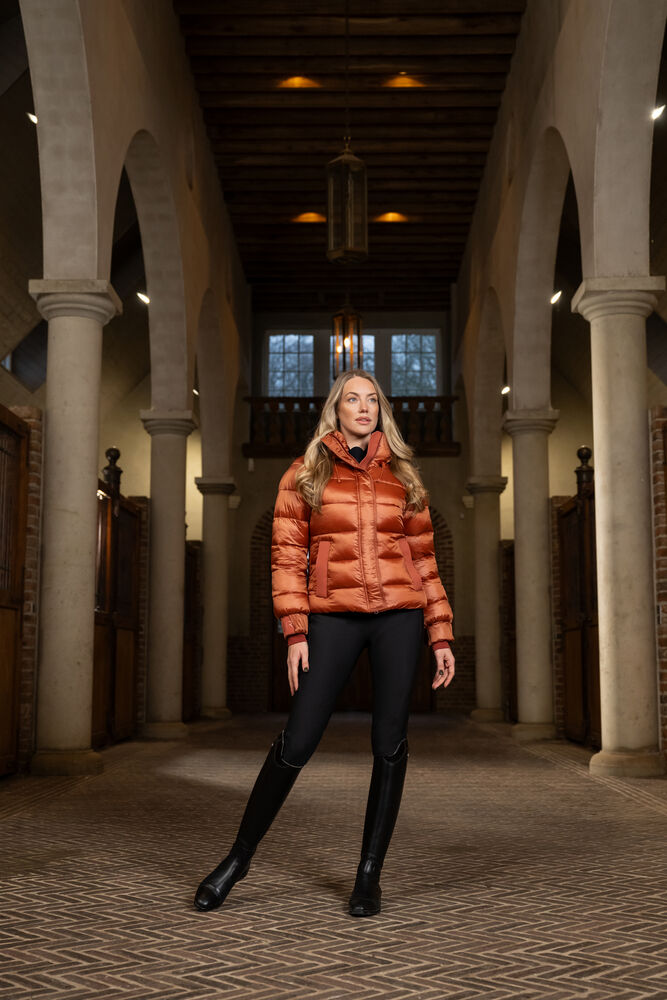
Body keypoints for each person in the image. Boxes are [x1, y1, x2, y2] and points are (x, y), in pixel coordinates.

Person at [194, 370, 455, 917]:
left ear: (381, 411)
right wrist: (295, 630)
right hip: (332, 617)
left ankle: (368, 875)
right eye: (351, 399)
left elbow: (425, 561)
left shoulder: (403, 477)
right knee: (299, 739)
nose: (363, 408)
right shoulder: (304, 473)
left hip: (399, 617)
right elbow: (287, 557)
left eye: (372, 400)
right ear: (335, 410)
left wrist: (440, 632)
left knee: (389, 742)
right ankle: (238, 860)